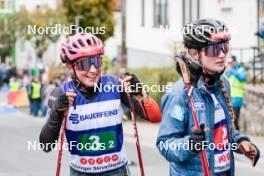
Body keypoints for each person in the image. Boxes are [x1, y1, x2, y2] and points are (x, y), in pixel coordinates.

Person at [39, 33, 162, 176]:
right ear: (70, 67)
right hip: (80, 172)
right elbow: (46, 145)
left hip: (117, 171)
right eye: (84, 64)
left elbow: (156, 117)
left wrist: (141, 94)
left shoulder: (115, 85)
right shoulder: (60, 93)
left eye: (96, 61)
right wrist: (57, 112)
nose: (92, 69)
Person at [156, 19, 260, 176]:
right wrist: (190, 145)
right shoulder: (179, 93)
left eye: (224, 47)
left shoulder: (223, 84)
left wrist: (240, 142)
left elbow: (224, 131)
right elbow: (164, 144)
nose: (221, 55)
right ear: (194, 53)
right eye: (214, 49)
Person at [224, 56, 247, 131]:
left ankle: (238, 136)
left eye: (231, 62)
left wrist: (234, 72)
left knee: (235, 119)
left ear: (235, 61)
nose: (230, 64)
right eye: (229, 62)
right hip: (228, 98)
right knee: (229, 119)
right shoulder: (228, 71)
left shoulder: (240, 70)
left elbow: (243, 78)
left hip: (237, 98)